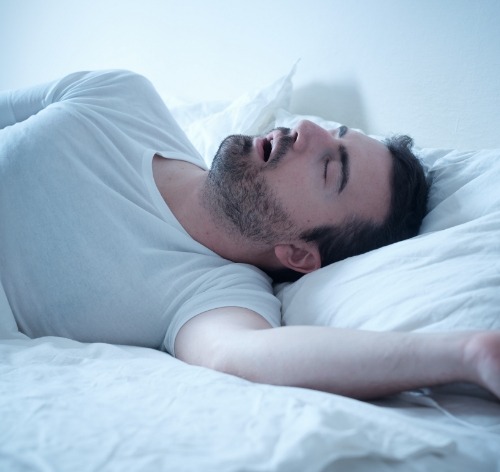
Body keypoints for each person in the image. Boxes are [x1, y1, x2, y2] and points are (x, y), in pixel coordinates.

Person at [1, 70, 498, 400]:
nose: (306, 128)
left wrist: (467, 353)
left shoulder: (215, 296)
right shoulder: (121, 97)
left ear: (300, 253)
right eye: (335, 131)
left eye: (329, 169)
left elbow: (252, 357)